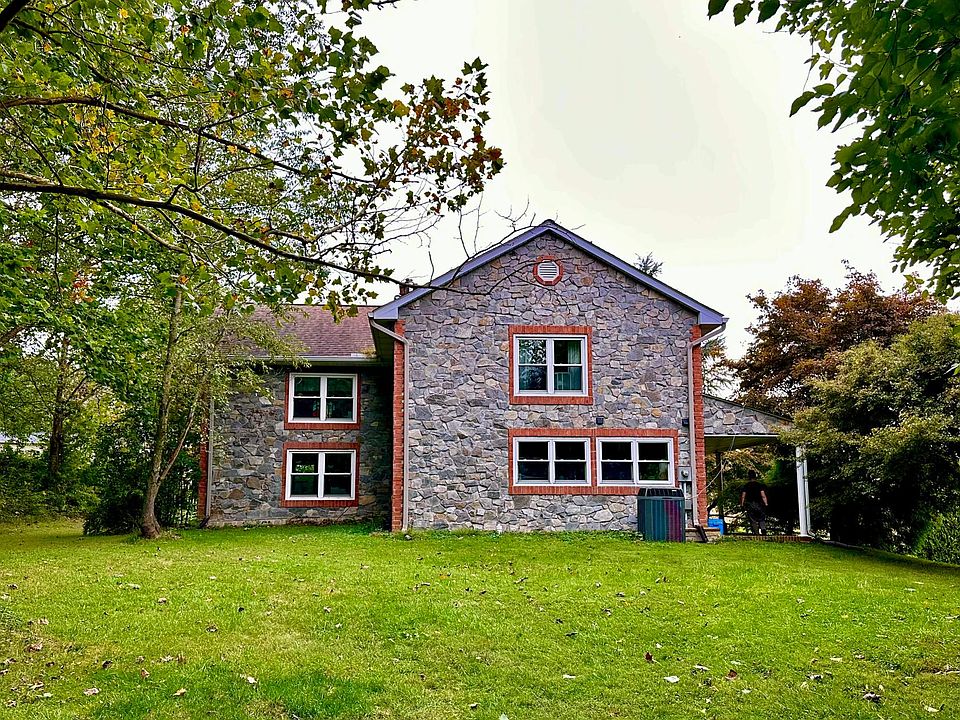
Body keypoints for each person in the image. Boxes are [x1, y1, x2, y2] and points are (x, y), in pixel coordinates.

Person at [740, 470, 769, 535]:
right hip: (759, 504)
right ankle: (763, 529)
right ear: (755, 477)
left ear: (748, 477)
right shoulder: (759, 485)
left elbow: (743, 496)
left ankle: (756, 533)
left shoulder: (746, 486)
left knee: (753, 520)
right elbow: (763, 495)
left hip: (750, 505)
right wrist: (766, 503)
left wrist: (742, 504)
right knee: (761, 518)